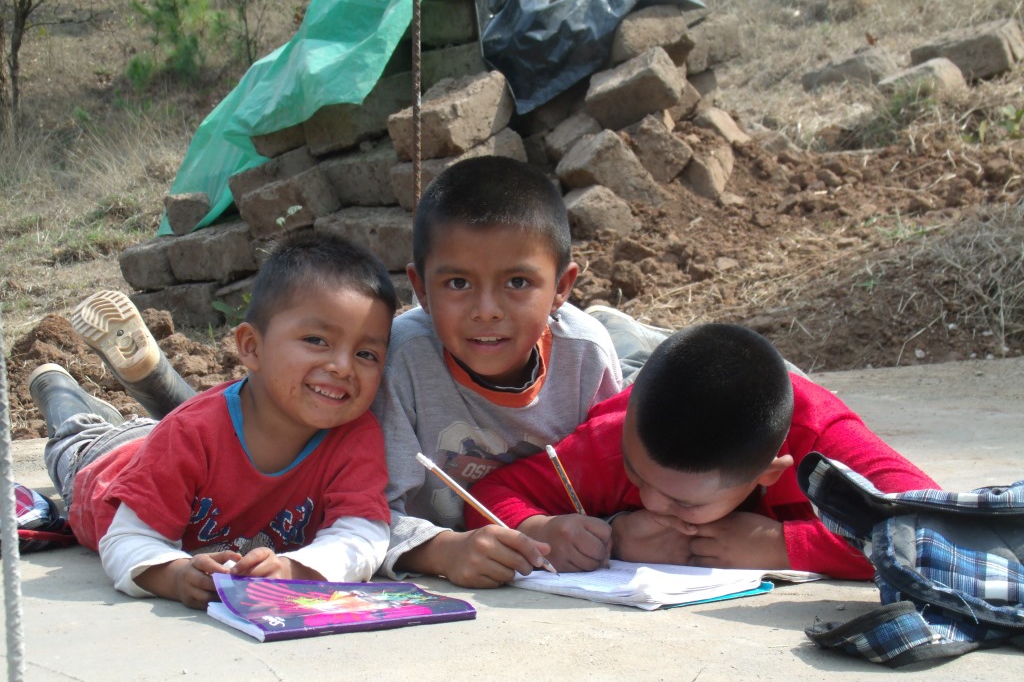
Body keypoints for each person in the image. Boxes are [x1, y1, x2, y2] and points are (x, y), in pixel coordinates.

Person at [27, 233, 397, 609]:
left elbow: (363, 532)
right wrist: (173, 575)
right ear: (251, 347)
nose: (343, 366)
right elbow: (126, 538)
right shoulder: (190, 433)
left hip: (160, 443)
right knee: (76, 435)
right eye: (317, 340)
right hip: (103, 467)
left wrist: (295, 569)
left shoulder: (356, 435)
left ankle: (132, 391)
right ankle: (56, 387)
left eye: (366, 353)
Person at [468, 323, 941, 579]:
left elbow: (940, 533)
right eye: (637, 479)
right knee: (623, 338)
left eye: (684, 503)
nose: (653, 505)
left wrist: (782, 546)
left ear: (768, 475)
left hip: (779, 390)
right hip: (649, 370)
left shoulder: (820, 442)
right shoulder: (620, 438)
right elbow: (492, 489)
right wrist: (544, 527)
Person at [371, 155, 624, 588]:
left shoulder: (587, 356)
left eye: (518, 283)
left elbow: (618, 480)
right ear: (421, 289)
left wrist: (600, 531)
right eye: (458, 284)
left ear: (562, 287)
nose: (486, 312)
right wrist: (442, 552)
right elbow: (364, 512)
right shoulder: (400, 362)